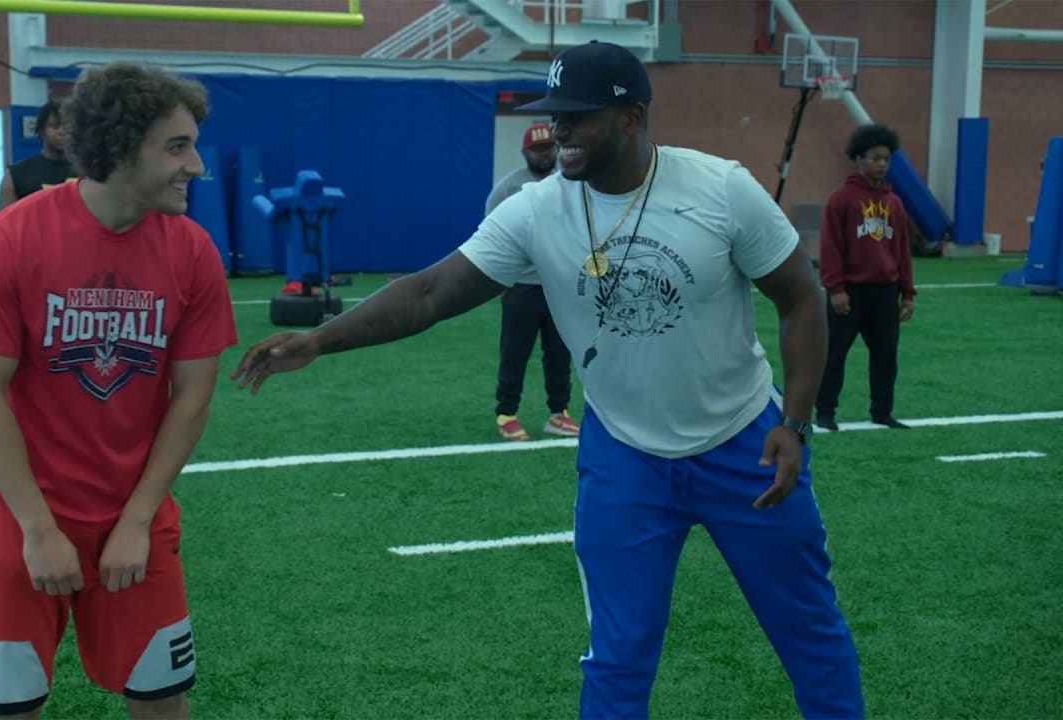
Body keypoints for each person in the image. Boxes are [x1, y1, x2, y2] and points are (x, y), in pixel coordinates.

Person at [233, 41, 863, 719]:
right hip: (626, 456)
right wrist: (320, 339)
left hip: (745, 442)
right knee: (618, 656)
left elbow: (802, 300)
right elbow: (432, 290)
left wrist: (794, 424)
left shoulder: (721, 189)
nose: (557, 130)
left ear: (631, 117)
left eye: (576, 115)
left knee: (807, 633)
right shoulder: (538, 209)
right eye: (553, 115)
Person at [0, 62, 237, 719]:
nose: (197, 165)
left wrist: (137, 521)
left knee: (163, 702)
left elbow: (191, 398)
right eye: (177, 147)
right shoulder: (12, 238)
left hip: (136, 514)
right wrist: (36, 529)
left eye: (194, 144)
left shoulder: (194, 253)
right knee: (6, 708)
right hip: (23, 515)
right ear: (117, 147)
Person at [815, 123, 916, 432]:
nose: (882, 164)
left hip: (884, 293)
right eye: (875, 158)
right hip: (850, 292)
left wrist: (908, 293)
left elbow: (902, 251)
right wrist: (836, 288)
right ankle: (825, 413)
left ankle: (882, 412)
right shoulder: (841, 199)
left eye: (886, 159)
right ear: (858, 159)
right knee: (834, 355)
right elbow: (830, 247)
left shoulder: (895, 204)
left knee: (886, 357)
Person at [486, 122, 579, 441]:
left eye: (549, 148)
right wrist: (501, 281)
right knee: (515, 353)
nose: (544, 154)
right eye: (537, 150)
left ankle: (559, 413)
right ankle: (506, 413)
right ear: (525, 152)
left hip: (559, 287)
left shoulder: (570, 184)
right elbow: (490, 237)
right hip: (522, 288)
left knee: (559, 355)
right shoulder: (509, 188)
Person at [0, 100, 76, 210]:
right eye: (55, 126)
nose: (61, 132)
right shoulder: (16, 175)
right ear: (41, 130)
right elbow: (3, 222)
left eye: (67, 127)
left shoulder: (90, 173)